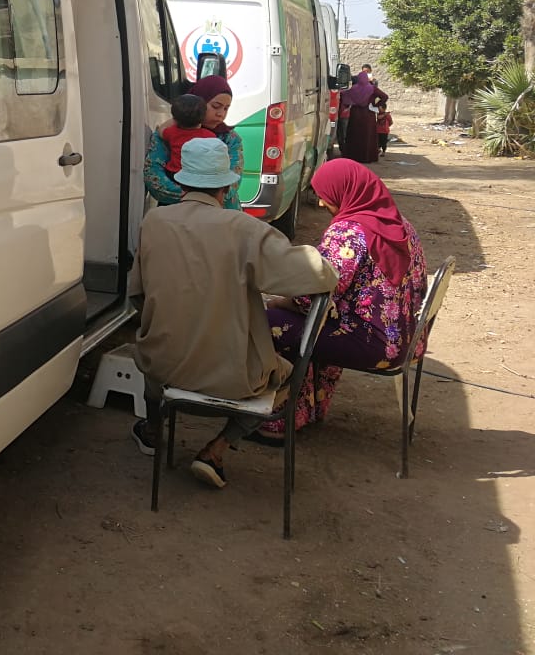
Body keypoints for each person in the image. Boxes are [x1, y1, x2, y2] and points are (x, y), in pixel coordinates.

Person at [128, 139, 339, 488]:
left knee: (154, 350)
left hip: (162, 369)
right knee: (289, 375)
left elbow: (137, 294)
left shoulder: (154, 221)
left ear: (180, 182)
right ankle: (217, 448)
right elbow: (315, 274)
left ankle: (152, 429)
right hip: (234, 380)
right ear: (226, 187)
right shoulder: (244, 229)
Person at [253, 159, 428, 442]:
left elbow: (312, 297)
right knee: (321, 321)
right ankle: (309, 408)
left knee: (267, 322)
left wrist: (277, 302)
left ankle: (281, 421)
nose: (322, 203)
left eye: (326, 195)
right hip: (406, 340)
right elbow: (419, 288)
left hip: (372, 344)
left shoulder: (347, 233)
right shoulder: (400, 226)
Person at [144, 75, 244, 210]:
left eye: (226, 108)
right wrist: (202, 197)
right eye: (216, 106)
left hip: (222, 215)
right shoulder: (168, 134)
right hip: (178, 215)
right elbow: (154, 178)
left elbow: (233, 183)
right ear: (198, 103)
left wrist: (191, 196)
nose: (221, 114)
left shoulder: (230, 139)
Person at [160, 93, 215, 174]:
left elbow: (161, 130)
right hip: (197, 174)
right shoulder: (210, 136)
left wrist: (174, 119)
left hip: (174, 172)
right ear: (203, 118)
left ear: (175, 119)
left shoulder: (171, 132)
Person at [340, 70, 387, 163]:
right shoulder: (372, 88)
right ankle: (368, 157)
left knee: (355, 135)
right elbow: (385, 96)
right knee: (367, 136)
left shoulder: (353, 89)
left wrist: (348, 105)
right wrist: (376, 105)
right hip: (368, 114)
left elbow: (343, 96)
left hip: (355, 114)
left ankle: (354, 157)